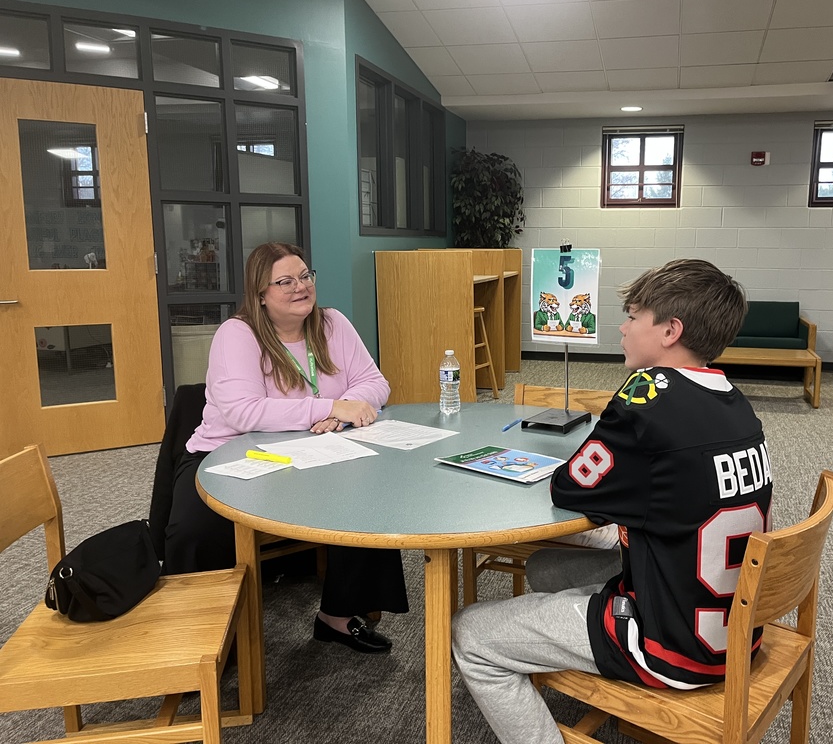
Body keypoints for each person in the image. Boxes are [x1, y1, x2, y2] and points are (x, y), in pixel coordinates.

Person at [452, 259, 774, 743]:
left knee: (470, 633)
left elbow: (568, 487)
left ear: (670, 330)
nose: (622, 327)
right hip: (731, 628)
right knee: (547, 568)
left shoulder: (647, 392)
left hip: (669, 644)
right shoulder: (736, 402)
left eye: (633, 315)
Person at [164, 242, 408, 653]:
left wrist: (344, 412)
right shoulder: (237, 334)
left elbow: (375, 382)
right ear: (260, 294)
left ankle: (338, 615)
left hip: (315, 449)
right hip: (229, 455)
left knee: (369, 495)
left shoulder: (332, 324)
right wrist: (329, 405)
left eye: (305, 276)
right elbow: (244, 413)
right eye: (285, 281)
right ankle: (201, 640)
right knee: (196, 531)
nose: (301, 287)